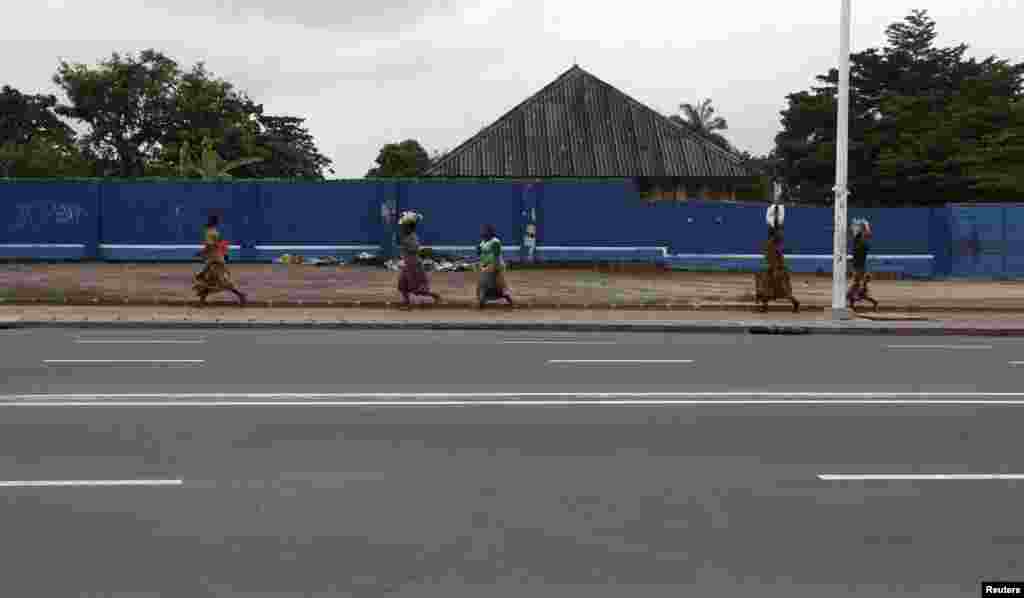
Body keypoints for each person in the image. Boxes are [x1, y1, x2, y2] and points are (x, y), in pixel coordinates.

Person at [192, 214, 247, 306]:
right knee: (208, 280)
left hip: (215, 261)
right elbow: (220, 244)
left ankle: (241, 295)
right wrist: (224, 254)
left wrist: (200, 253)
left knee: (218, 281)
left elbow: (210, 246)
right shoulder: (214, 232)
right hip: (215, 259)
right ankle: (202, 301)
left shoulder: (210, 233)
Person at [754, 211, 800, 313]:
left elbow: (776, 258)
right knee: (767, 288)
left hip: (778, 270)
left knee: (781, 291)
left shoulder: (774, 244)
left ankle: (795, 303)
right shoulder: (772, 244)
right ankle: (764, 306)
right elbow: (771, 257)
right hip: (773, 270)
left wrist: (777, 269)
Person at [397, 211, 441, 308]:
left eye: (404, 227)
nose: (402, 228)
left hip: (414, 265)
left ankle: (435, 296)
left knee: (417, 289)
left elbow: (415, 248)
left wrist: (406, 245)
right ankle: (406, 302)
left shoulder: (412, 237)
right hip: (407, 264)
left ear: (409, 228)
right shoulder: (406, 236)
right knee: (402, 285)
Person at [477, 223, 513, 307]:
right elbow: (481, 255)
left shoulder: (495, 242)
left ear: (490, 233)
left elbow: (496, 256)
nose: (483, 233)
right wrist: (479, 252)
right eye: (483, 231)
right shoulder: (482, 243)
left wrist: (495, 267)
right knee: (485, 283)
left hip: (496, 265)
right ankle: (483, 300)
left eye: (485, 231)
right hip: (486, 266)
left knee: (495, 283)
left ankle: (483, 299)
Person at [847, 219, 879, 311]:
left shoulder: (862, 243)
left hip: (859, 268)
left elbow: (866, 234)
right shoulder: (858, 241)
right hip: (858, 267)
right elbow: (857, 233)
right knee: (857, 291)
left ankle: (854, 300)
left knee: (857, 290)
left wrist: (865, 225)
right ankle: (853, 302)